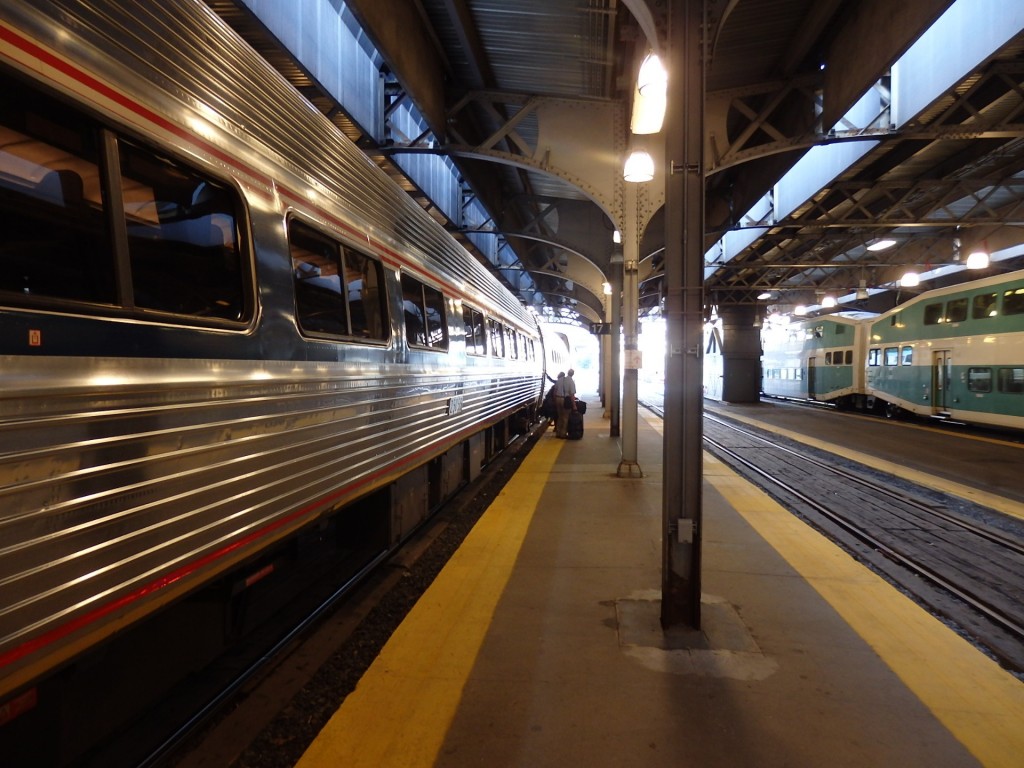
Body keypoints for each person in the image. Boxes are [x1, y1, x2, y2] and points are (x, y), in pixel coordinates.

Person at [553, 371, 569, 438]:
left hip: (557, 398)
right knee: (565, 417)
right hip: (564, 399)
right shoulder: (567, 381)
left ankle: (558, 433)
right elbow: (570, 392)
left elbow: (554, 392)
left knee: (559, 416)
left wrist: (555, 401)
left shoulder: (558, 381)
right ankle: (563, 433)